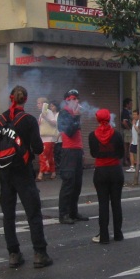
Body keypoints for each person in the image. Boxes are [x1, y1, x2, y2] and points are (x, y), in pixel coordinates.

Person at [0, 85, 52, 269]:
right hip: (23, 172)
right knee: (33, 213)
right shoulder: (28, 120)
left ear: (10, 97)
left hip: (4, 172)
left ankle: (13, 254)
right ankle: (39, 253)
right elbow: (38, 148)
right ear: (26, 99)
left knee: (8, 215)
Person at [89, 109, 125, 244]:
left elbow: (93, 153)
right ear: (109, 118)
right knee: (116, 203)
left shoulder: (92, 135)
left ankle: (103, 236)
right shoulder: (117, 134)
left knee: (103, 204)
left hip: (100, 171)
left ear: (97, 119)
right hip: (115, 170)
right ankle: (118, 234)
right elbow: (121, 153)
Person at [57, 89, 88, 225]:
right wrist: (75, 116)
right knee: (68, 184)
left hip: (76, 151)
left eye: (76, 98)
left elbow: (78, 134)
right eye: (72, 99)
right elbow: (68, 132)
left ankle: (73, 212)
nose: (76, 101)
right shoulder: (64, 113)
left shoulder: (75, 113)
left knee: (77, 184)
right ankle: (63, 214)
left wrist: (82, 151)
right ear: (67, 101)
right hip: (68, 151)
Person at [36, 97, 58, 181]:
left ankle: (40, 174)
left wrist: (46, 118)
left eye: (39, 103)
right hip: (43, 138)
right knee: (49, 156)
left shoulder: (48, 112)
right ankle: (53, 172)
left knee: (43, 156)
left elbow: (54, 123)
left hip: (48, 138)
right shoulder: (41, 114)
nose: (37, 105)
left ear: (43, 104)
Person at [50, 101, 63, 176]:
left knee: (59, 153)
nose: (51, 108)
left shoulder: (59, 114)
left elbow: (61, 126)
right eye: (50, 106)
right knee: (54, 154)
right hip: (52, 136)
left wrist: (58, 136)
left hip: (59, 136)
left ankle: (61, 169)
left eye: (53, 106)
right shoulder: (50, 115)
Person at [121, 98, 133, 167]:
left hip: (127, 130)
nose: (131, 105)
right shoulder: (125, 112)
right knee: (128, 146)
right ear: (127, 104)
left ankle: (127, 160)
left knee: (128, 146)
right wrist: (129, 129)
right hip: (127, 131)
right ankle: (126, 160)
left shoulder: (127, 112)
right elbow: (124, 122)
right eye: (130, 104)